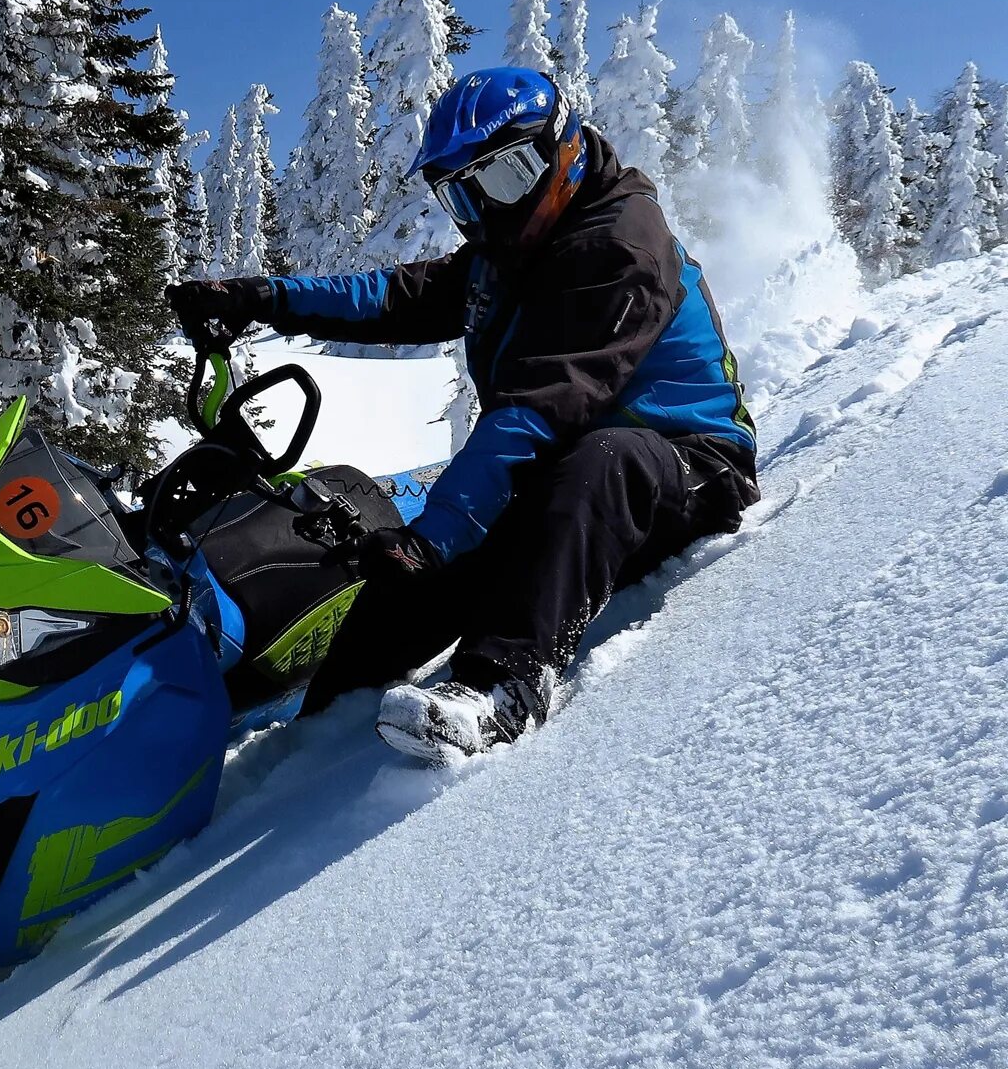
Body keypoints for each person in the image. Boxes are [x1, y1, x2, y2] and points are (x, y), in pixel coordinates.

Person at [166, 67, 758, 765]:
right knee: (414, 580)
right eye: (464, 194)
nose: (489, 210)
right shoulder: (509, 249)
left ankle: (503, 688)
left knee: (586, 467)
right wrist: (260, 297)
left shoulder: (616, 245)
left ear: (563, 148)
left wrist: (434, 538)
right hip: (569, 471)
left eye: (506, 178)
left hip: (686, 467)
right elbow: (393, 296)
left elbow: (540, 405)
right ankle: (310, 732)